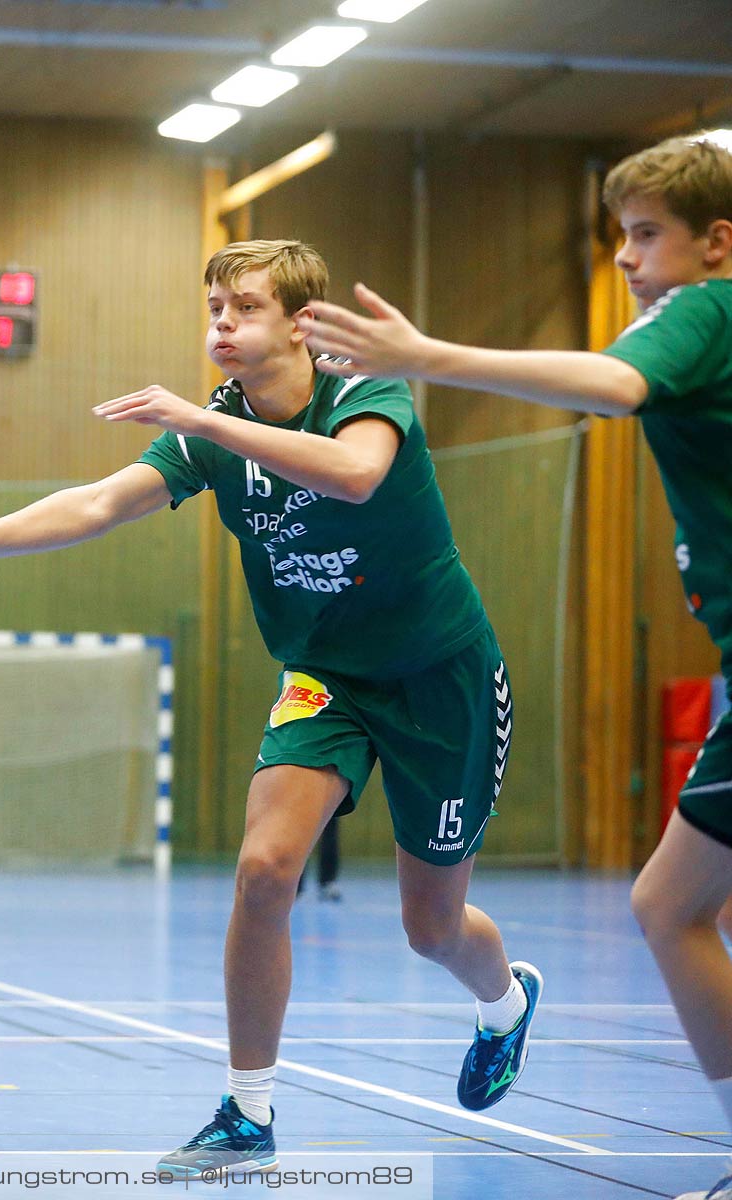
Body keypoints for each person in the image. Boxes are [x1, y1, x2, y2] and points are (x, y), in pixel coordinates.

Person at [0, 239, 540, 1178]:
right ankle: (247, 1112)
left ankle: (504, 1003)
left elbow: (354, 474)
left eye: (243, 308)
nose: (221, 325)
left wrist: (209, 431)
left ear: (299, 321)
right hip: (326, 675)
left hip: (438, 677)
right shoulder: (209, 430)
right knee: (264, 870)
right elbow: (101, 502)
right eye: (213, 308)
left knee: (433, 929)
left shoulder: (365, 392)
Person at [301, 132, 732, 1200]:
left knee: (671, 907)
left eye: (645, 236)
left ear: (717, 243)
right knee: (673, 905)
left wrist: (429, 356)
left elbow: (619, 384)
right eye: (619, 237)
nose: (627, 259)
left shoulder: (707, 309)